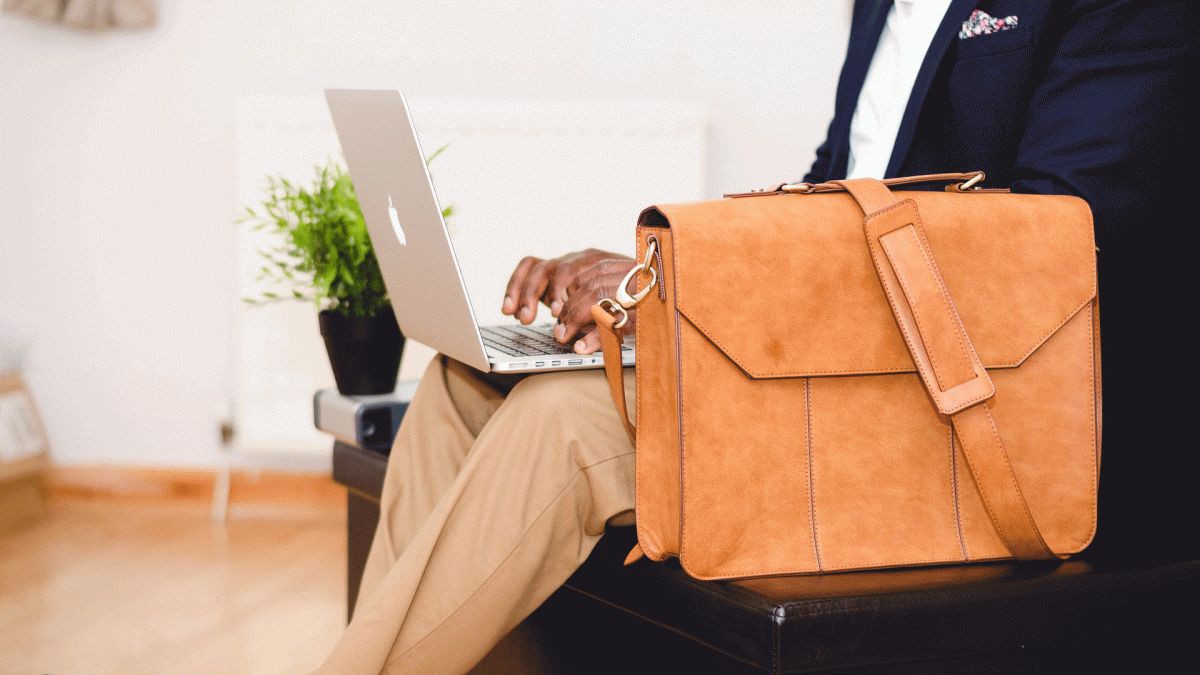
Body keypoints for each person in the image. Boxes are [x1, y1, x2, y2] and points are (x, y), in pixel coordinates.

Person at [316, 1, 1195, 673]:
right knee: (459, 388)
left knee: (565, 429)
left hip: (981, 418)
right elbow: (831, 193)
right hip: (848, 377)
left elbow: (1048, 247)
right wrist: (652, 285)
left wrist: (691, 297)